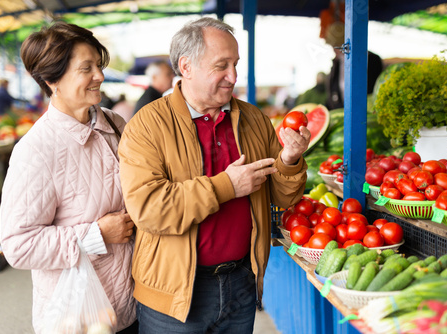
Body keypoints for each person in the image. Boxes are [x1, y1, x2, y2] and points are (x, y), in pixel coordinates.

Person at [118, 17, 309, 333]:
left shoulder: (254, 120)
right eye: (222, 65)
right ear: (186, 66)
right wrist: (226, 186)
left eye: (235, 64)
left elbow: (283, 198)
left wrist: (289, 160)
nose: (233, 76)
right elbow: (148, 209)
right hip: (174, 295)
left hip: (240, 283)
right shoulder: (147, 125)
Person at [0, 21, 137, 334]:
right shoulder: (35, 151)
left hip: (131, 307)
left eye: (99, 66)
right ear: (51, 80)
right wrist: (95, 235)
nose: (99, 76)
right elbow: (17, 244)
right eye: (86, 68)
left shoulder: (115, 124)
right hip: (79, 317)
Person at [324, 22, 383, 110]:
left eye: (337, 45)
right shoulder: (337, 62)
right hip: (341, 112)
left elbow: (375, 88)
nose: (334, 49)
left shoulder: (372, 60)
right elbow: (333, 91)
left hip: (365, 111)